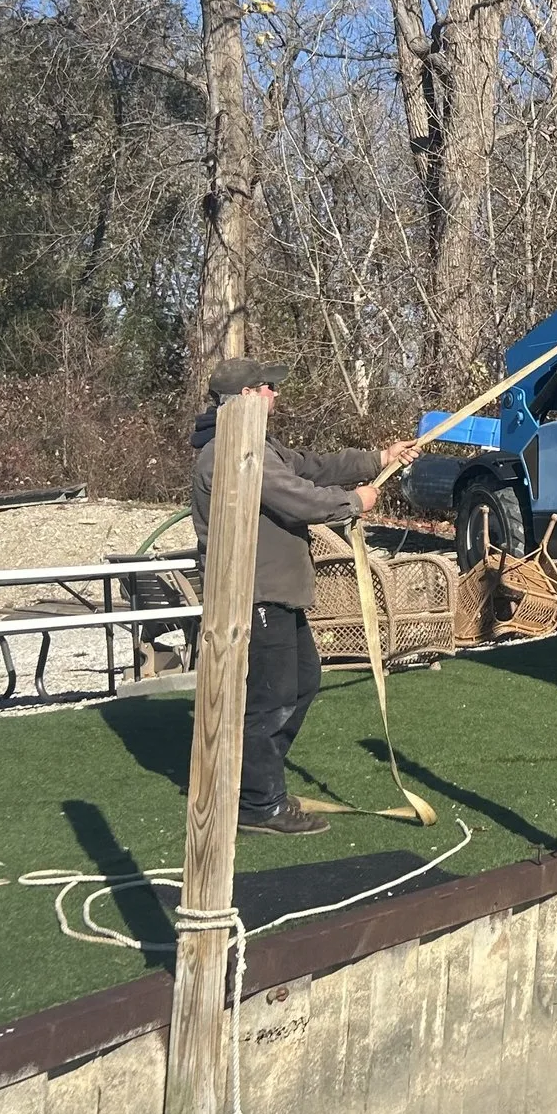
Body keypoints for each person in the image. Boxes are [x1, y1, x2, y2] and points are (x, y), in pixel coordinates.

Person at [189, 358, 414, 837]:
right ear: (246, 397)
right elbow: (296, 496)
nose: (275, 395)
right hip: (251, 595)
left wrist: (379, 458)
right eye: (268, 388)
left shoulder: (260, 445)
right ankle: (258, 803)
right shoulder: (228, 451)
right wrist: (355, 503)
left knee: (302, 683)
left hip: (277, 593)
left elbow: (311, 466)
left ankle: (254, 785)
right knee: (270, 700)